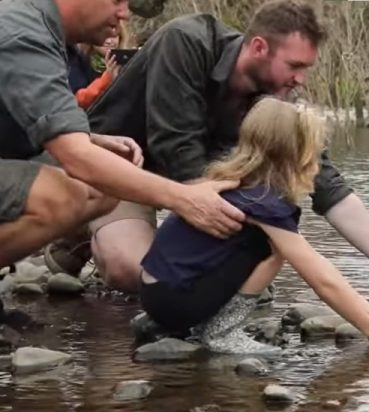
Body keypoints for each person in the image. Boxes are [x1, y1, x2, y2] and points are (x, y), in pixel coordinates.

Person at [70, 0, 369, 311]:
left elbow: (322, 180)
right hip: (122, 167)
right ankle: (78, 233)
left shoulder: (276, 94)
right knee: (128, 269)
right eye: (295, 66)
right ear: (259, 47)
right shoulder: (186, 42)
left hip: (197, 181)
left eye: (306, 69)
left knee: (240, 243)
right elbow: (178, 149)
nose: (301, 80)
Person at [140, 97, 369, 354]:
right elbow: (322, 279)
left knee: (278, 243)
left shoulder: (232, 180)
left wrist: (367, 309)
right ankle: (221, 332)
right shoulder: (264, 202)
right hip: (174, 301)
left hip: (155, 290)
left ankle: (195, 323)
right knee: (276, 250)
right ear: (296, 154)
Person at [0, 0, 245, 270]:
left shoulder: (50, 35)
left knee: (103, 184)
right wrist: (185, 198)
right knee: (60, 196)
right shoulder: (23, 33)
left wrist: (90, 139)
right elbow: (75, 157)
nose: (125, 14)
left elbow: (21, 119)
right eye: (116, 0)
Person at [73, 22, 133, 109]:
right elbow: (78, 101)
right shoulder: (81, 61)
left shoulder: (127, 63)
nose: (109, 41)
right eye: (103, 36)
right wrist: (106, 80)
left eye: (114, 36)